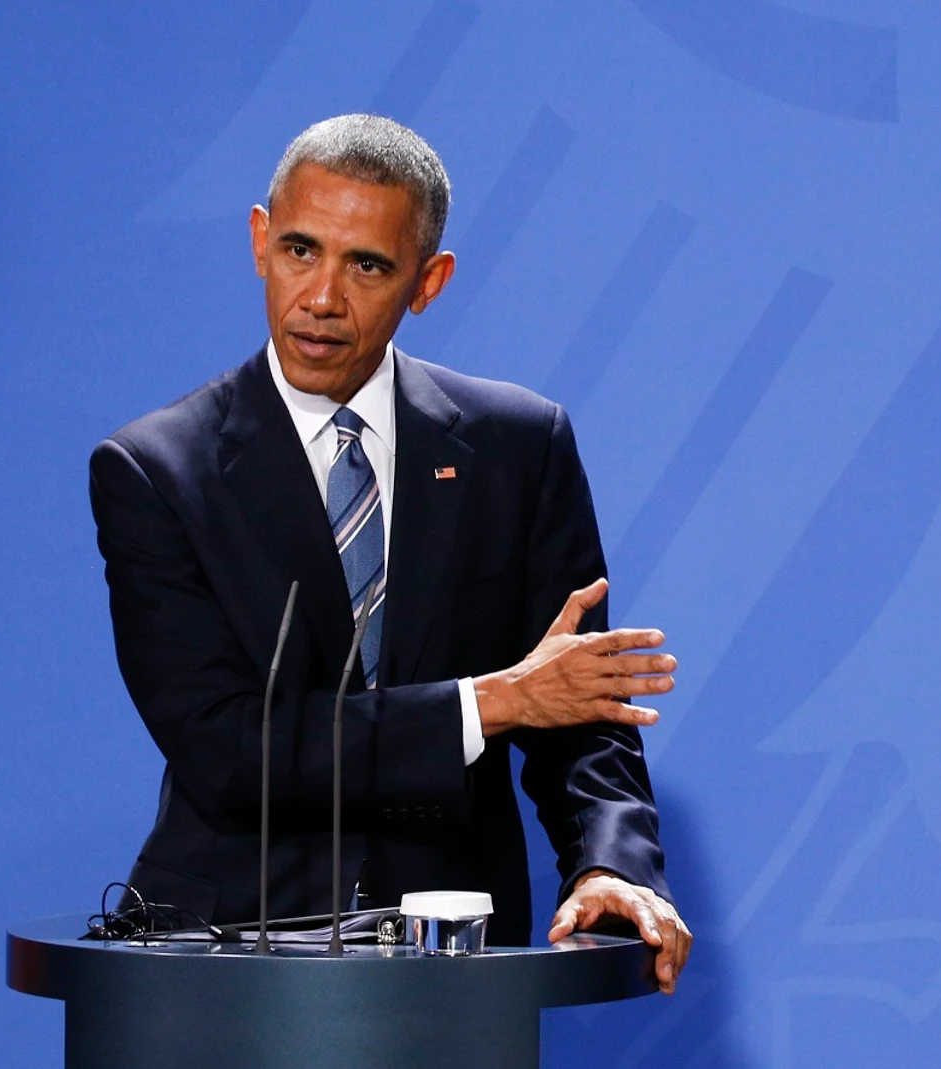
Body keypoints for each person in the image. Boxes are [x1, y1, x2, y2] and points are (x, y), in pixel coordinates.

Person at [90, 114, 691, 991]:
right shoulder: (157, 468)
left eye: (367, 265)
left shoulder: (518, 446)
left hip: (457, 958)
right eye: (300, 250)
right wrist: (490, 702)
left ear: (427, 281)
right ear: (259, 241)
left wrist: (610, 861)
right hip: (225, 957)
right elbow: (226, 747)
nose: (322, 297)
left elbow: (576, 705)